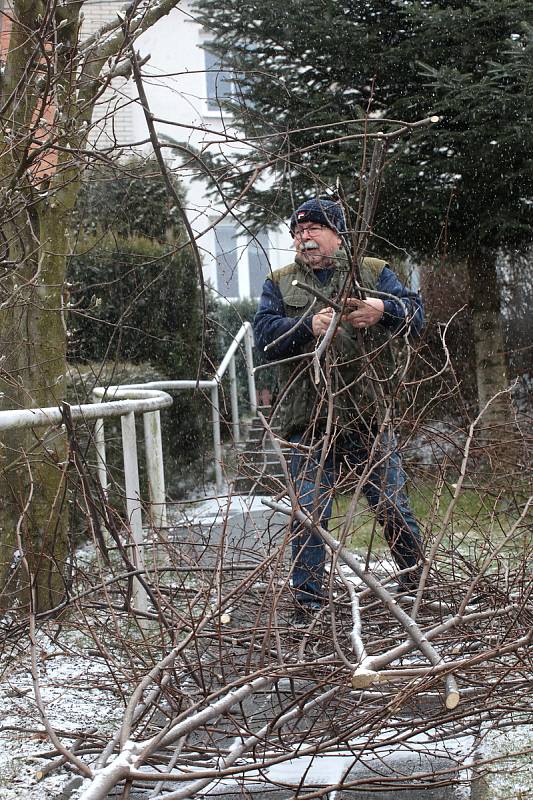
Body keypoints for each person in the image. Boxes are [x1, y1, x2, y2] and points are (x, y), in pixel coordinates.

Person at [253, 198, 425, 616]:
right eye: (297, 232)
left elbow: (416, 316)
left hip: (368, 414)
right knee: (309, 513)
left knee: (392, 506)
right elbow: (263, 337)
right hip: (307, 420)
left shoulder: (371, 271)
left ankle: (416, 586)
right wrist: (304, 326)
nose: (303, 238)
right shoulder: (280, 282)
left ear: (337, 234)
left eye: (313, 229)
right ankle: (309, 604)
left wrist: (382, 309)